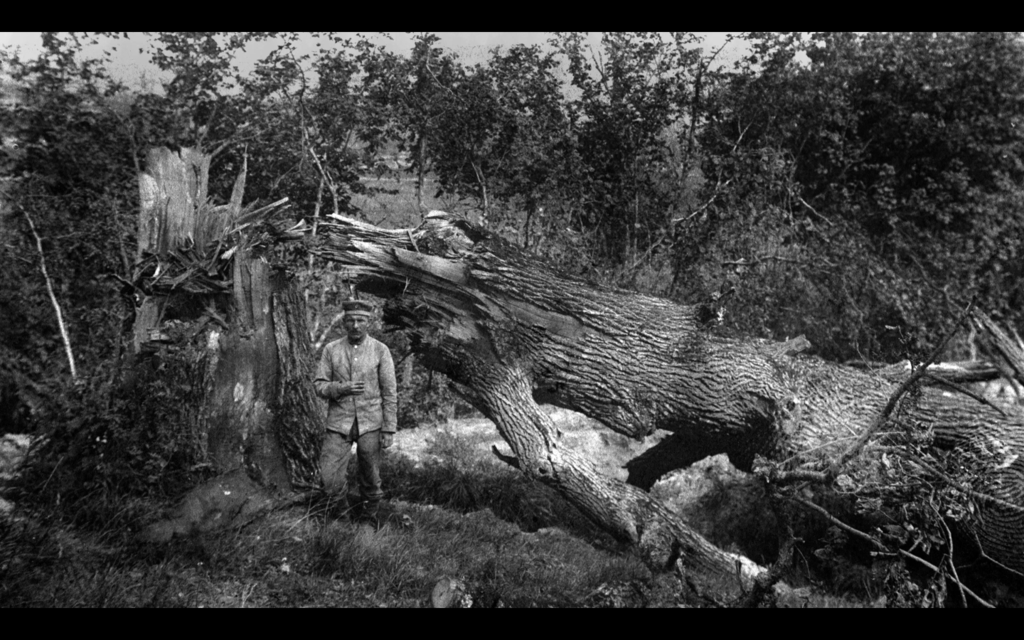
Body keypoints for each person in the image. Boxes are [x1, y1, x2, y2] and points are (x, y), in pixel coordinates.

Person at [314, 298, 397, 521]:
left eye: (360, 320)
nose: (355, 325)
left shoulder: (381, 351)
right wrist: (342, 388)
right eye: (350, 320)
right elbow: (319, 386)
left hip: (371, 423)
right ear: (344, 322)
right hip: (339, 423)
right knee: (329, 478)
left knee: (370, 476)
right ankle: (343, 516)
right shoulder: (332, 350)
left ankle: (369, 520)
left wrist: (389, 429)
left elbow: (389, 393)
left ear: (368, 322)